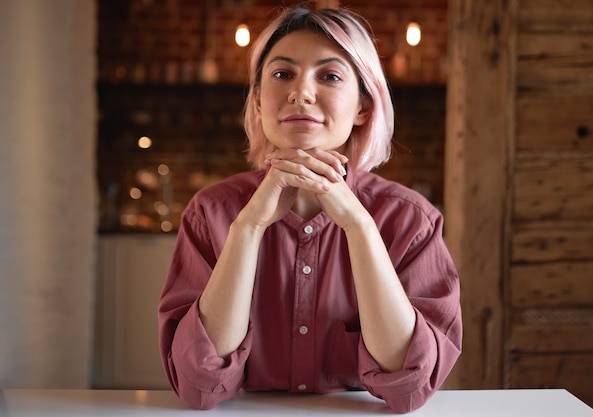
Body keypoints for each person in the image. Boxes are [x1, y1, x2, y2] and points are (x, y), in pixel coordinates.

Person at [158, 5, 462, 414]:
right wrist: (247, 228)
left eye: (330, 76)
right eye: (282, 74)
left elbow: (409, 386)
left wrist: (359, 227)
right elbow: (198, 385)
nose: (300, 92)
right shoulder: (210, 213)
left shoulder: (412, 221)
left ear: (363, 108)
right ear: (260, 103)